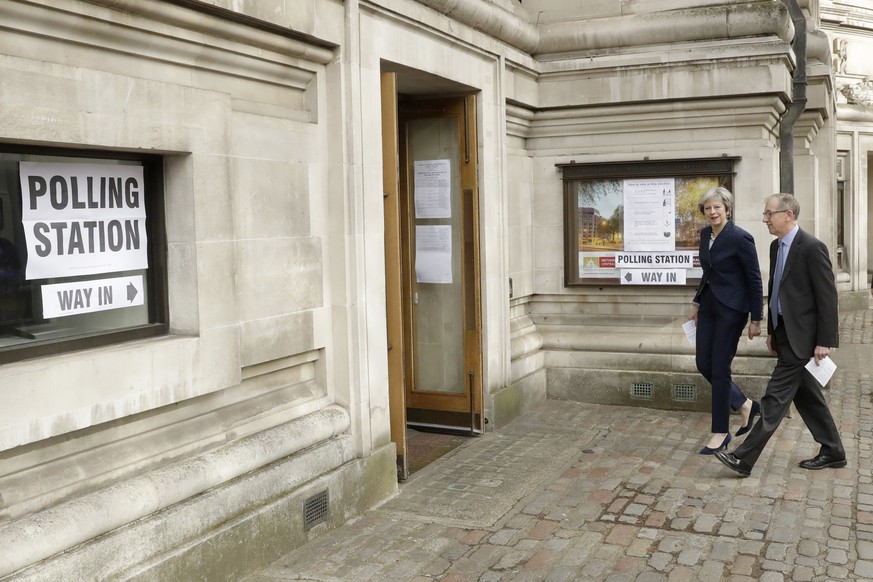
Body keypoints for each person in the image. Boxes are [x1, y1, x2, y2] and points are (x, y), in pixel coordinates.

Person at [715, 193, 845, 477]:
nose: (765, 219)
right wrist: (773, 330)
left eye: (769, 213)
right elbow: (776, 292)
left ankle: (744, 458)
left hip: (804, 339)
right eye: (764, 214)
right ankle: (833, 450)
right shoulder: (776, 247)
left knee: (774, 399)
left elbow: (827, 297)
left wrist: (825, 340)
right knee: (808, 396)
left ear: (788, 214)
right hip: (785, 334)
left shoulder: (812, 247)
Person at [689, 187, 763, 454]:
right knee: (703, 363)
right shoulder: (706, 235)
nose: (712, 212)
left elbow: (754, 279)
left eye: (717, 207)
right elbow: (707, 273)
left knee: (720, 368)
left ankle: (720, 432)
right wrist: (696, 302)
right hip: (709, 307)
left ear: (727, 209)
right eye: (708, 208)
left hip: (732, 310)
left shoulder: (741, 237)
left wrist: (757, 318)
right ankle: (745, 405)